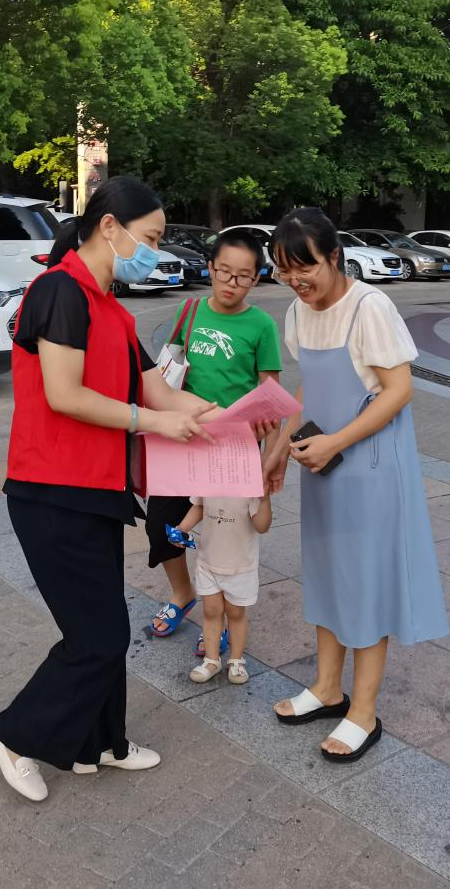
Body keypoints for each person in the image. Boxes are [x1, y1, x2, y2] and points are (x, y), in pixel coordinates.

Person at [0, 176, 224, 803]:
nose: (154, 253)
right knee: (98, 638)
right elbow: (65, 394)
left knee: (106, 628)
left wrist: (231, 416)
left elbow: (158, 389)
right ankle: (12, 734)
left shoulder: (112, 308)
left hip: (97, 492)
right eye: (150, 239)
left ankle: (101, 744)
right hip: (50, 490)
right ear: (109, 226)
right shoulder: (58, 290)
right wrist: (154, 423)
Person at [262, 207, 449, 763]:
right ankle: (326, 687)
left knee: (365, 584)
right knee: (327, 574)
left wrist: (335, 442)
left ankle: (363, 712)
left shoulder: (370, 307)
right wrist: (279, 449)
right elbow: (308, 386)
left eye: (306, 268)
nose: (296, 281)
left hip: (368, 468)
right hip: (323, 467)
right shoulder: (299, 310)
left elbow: (398, 390)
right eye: (284, 270)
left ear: (334, 256)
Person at [146, 230, 282, 650]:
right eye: (224, 272)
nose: (231, 283)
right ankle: (183, 594)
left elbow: (271, 396)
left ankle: (219, 617)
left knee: (225, 537)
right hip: (182, 439)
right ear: (210, 268)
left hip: (233, 448)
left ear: (255, 279)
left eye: (242, 276)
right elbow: (166, 372)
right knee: (161, 526)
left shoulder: (261, 326)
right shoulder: (188, 311)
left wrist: (271, 458)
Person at [174, 492, 273, 685]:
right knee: (211, 611)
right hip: (208, 562)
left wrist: (264, 499)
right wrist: (182, 529)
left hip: (239, 566)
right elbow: (199, 505)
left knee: (236, 613)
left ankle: (236, 660)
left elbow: (262, 526)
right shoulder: (209, 479)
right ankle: (211, 660)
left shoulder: (250, 486)